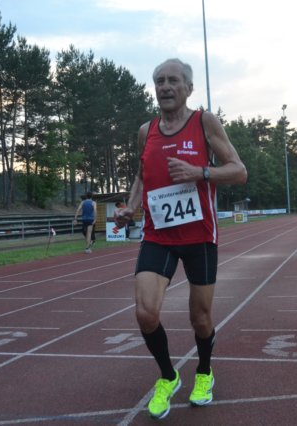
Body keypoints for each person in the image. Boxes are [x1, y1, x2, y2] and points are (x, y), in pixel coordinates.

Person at [114, 58, 247, 419]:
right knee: (145, 312)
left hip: (199, 235)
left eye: (173, 80)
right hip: (158, 235)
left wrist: (200, 172)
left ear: (188, 88)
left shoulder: (204, 122)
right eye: (159, 81)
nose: (165, 86)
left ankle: (204, 372)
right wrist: (131, 206)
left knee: (200, 318)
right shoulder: (146, 131)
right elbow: (142, 175)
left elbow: (239, 171)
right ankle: (168, 376)